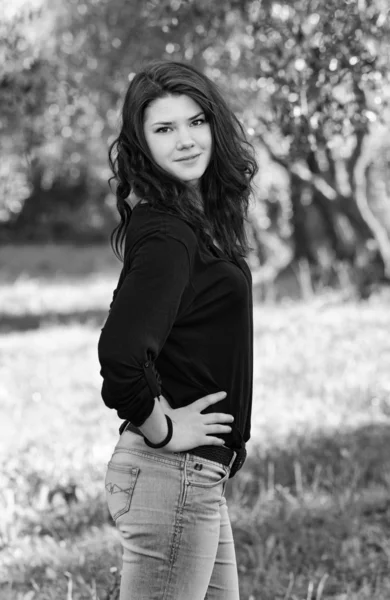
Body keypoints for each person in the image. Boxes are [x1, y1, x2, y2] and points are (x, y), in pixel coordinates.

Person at [98, 60, 258, 600]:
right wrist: (164, 428)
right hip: (172, 473)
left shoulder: (189, 221)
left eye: (196, 121)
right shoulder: (168, 232)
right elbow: (121, 356)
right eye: (165, 129)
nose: (187, 140)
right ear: (142, 145)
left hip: (193, 481)